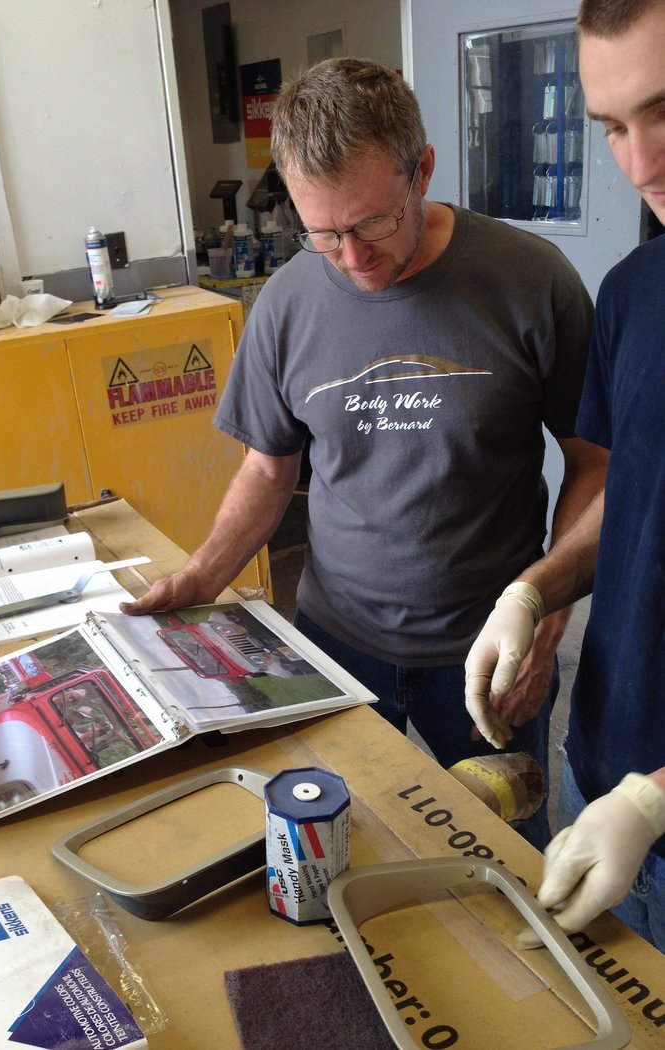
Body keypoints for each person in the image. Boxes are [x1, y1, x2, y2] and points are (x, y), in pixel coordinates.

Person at [122, 57, 608, 849]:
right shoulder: (284, 306)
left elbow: (594, 462)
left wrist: (546, 614)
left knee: (507, 855)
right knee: (332, 851)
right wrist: (202, 575)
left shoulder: (533, 283)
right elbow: (269, 469)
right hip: (333, 643)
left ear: (423, 170)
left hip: (489, 645)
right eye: (322, 232)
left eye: (372, 223)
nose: (351, 257)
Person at [465, 0, 665, 950]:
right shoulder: (637, 292)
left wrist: (657, 801)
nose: (641, 165)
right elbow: (632, 502)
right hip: (600, 770)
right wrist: (533, 592)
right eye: (614, 128)